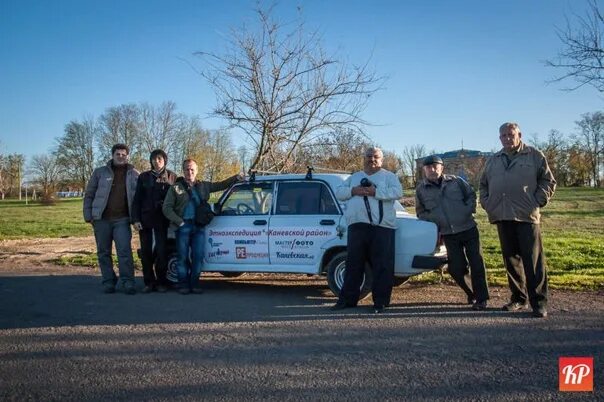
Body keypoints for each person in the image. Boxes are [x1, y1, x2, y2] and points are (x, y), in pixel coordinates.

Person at [480, 122, 556, 318]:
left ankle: (539, 302)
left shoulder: (534, 155)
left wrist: (536, 201)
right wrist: (488, 203)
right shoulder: (493, 160)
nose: (507, 138)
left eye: (511, 134)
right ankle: (518, 299)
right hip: (502, 215)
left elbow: (548, 180)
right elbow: (483, 185)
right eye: (503, 135)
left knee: (533, 260)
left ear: (519, 135)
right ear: (499, 138)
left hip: (526, 216)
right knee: (511, 260)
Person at [332, 147, 403, 313]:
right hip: (357, 227)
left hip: (382, 227)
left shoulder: (389, 176)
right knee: (353, 265)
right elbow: (339, 193)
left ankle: (381, 302)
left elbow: (397, 192)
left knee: (382, 265)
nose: (372, 159)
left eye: (376, 157)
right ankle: (347, 300)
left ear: (381, 159)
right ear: (364, 158)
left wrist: (375, 192)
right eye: (369, 156)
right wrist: (353, 190)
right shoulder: (355, 177)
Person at [415, 155, 489, 310]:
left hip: (468, 228)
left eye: (435, 166)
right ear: (424, 170)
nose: (432, 170)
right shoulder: (421, 190)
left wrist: (467, 211)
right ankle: (471, 292)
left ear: (442, 168)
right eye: (428, 167)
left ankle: (481, 298)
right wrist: (435, 220)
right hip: (448, 233)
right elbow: (420, 212)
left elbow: (471, 195)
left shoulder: (456, 181)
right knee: (456, 268)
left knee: (476, 263)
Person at [162, 159, 243, 295]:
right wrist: (179, 221)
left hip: (199, 227)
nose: (190, 172)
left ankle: (194, 284)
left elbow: (221, 185)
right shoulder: (175, 188)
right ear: (183, 170)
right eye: (187, 169)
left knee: (198, 256)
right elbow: (166, 208)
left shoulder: (204, 186)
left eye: (192, 169)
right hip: (183, 227)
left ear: (197, 171)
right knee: (182, 257)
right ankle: (183, 285)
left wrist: (236, 177)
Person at [83, 144, 139, 294]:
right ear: (112, 155)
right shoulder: (99, 172)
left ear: (128, 156)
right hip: (102, 220)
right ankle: (108, 281)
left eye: (123, 154)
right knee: (103, 252)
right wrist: (88, 215)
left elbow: (139, 198)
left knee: (124, 251)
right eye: (118, 154)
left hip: (122, 220)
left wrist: (136, 218)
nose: (121, 157)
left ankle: (127, 281)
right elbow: (89, 194)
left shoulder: (134, 174)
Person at [132, 149, 177, 293]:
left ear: (164, 160)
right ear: (151, 161)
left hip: (162, 221)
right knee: (146, 253)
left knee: (162, 252)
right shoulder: (144, 177)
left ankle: (161, 282)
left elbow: (178, 196)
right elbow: (137, 200)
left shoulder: (172, 176)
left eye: (160, 159)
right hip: (145, 221)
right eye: (154, 159)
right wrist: (135, 219)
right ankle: (149, 282)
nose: (157, 162)